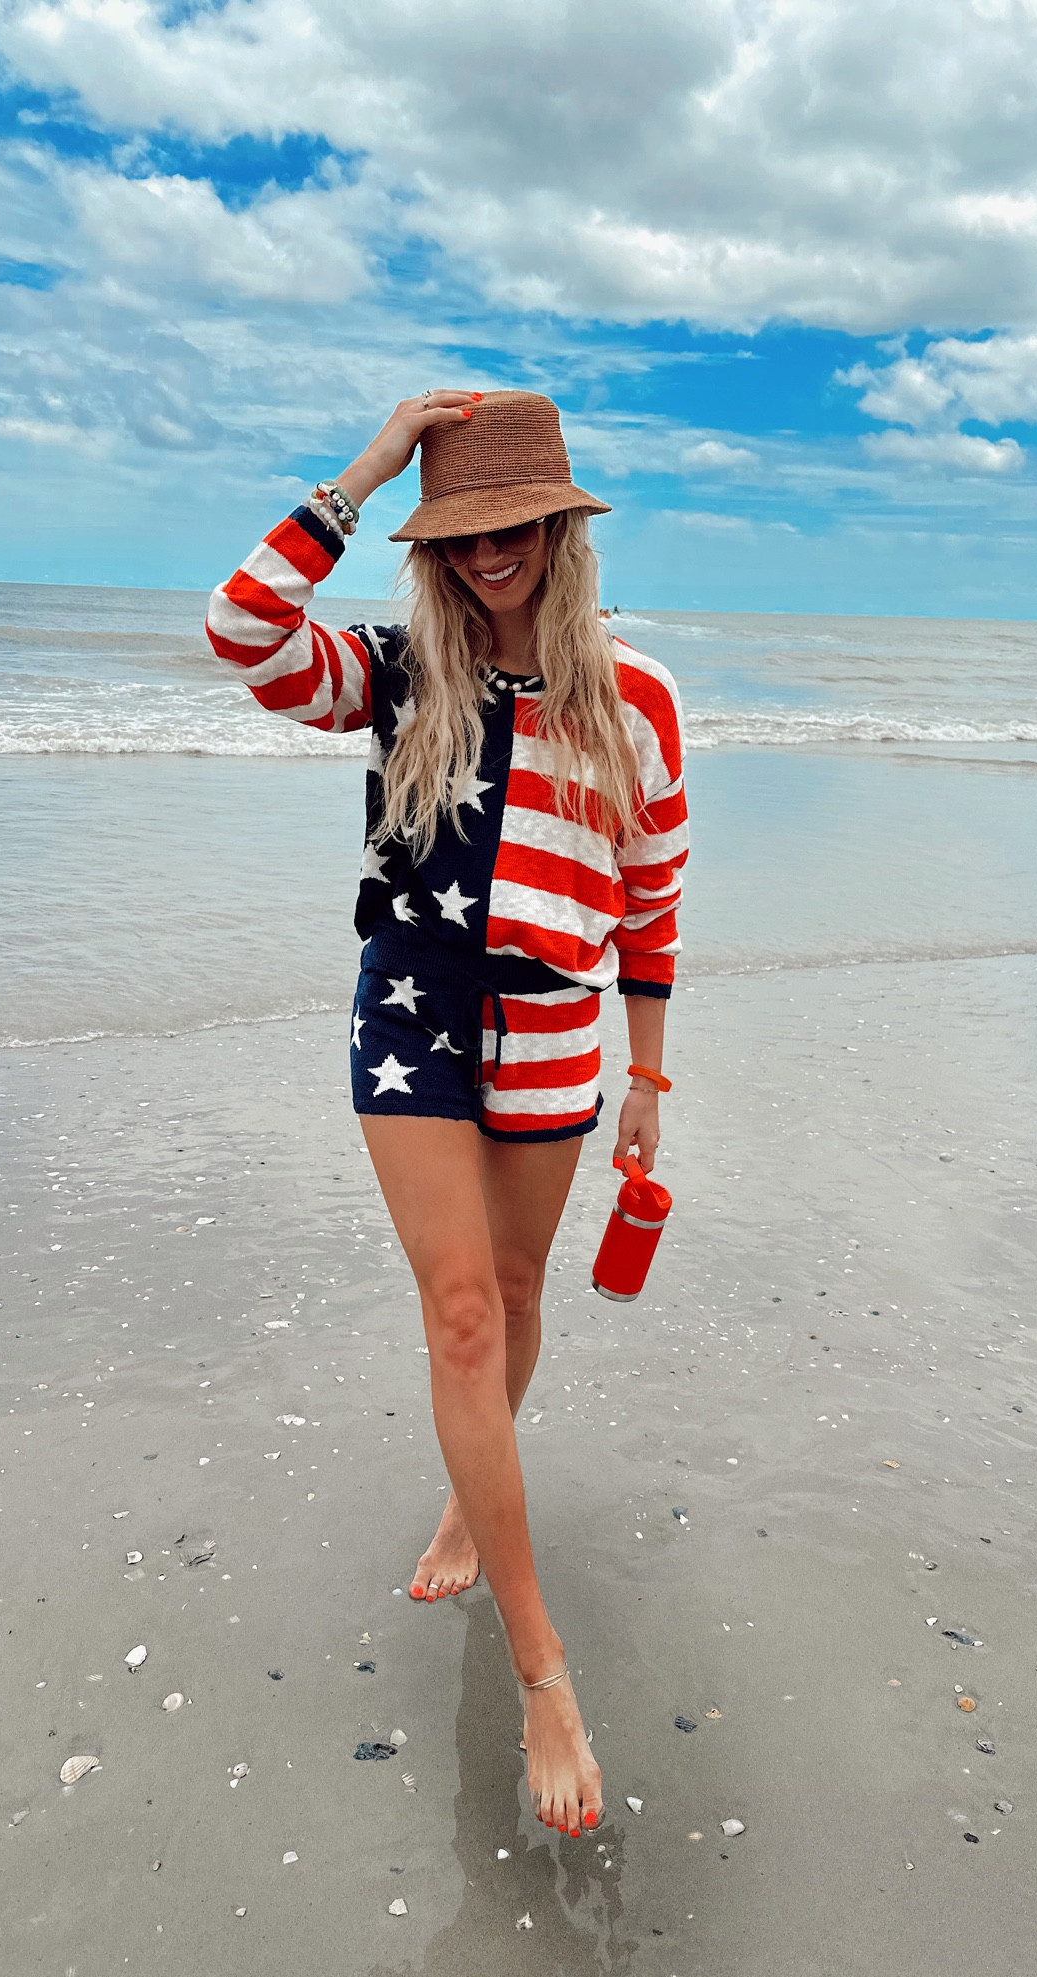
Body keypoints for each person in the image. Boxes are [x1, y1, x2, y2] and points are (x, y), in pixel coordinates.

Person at [206, 389, 688, 1838]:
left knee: (524, 1289)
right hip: (413, 1028)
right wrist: (369, 464)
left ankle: (468, 1497)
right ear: (435, 540)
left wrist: (649, 1075)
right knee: (465, 1314)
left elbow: (656, 902)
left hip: (552, 1036)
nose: (491, 554)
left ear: (561, 525)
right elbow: (241, 633)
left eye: (515, 524)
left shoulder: (638, 696)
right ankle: (544, 1671)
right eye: (463, 528)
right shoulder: (400, 671)